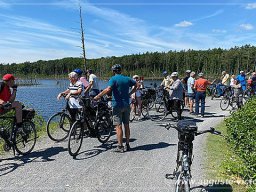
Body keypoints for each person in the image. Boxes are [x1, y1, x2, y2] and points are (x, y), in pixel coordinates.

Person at [94, 64, 139, 153]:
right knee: (126, 125)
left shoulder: (113, 79)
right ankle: (127, 145)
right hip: (126, 104)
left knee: (118, 126)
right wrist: (130, 93)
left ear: (113, 71)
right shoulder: (127, 78)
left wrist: (98, 96)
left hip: (117, 105)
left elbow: (108, 89)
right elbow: (137, 84)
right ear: (121, 70)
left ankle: (120, 146)